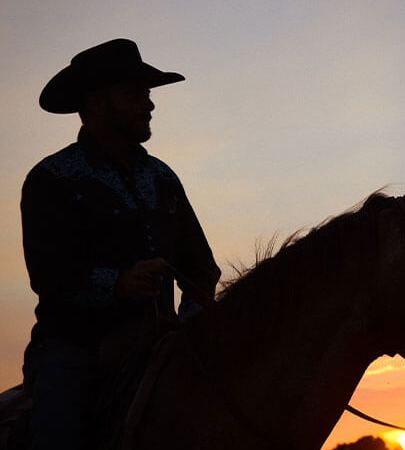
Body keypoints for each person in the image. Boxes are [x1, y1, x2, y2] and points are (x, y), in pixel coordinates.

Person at [20, 38, 221, 450]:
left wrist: (190, 326)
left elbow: (200, 268)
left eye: (147, 94)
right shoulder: (51, 179)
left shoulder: (163, 178)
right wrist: (117, 284)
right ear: (96, 104)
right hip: (76, 349)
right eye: (135, 95)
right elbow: (50, 276)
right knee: (57, 430)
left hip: (161, 344)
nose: (149, 105)